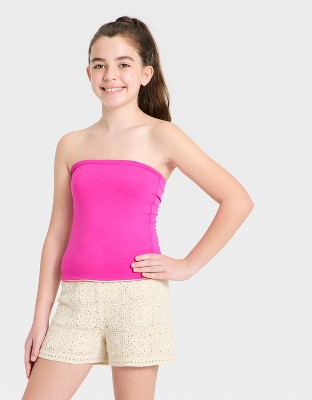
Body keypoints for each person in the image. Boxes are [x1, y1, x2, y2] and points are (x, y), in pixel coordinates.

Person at [21, 15, 254, 400]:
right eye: (100, 65)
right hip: (76, 300)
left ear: (146, 73)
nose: (110, 75)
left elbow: (237, 200)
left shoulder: (163, 136)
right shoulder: (71, 144)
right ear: (88, 73)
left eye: (123, 64)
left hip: (138, 299)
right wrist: (40, 317)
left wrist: (187, 265)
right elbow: (57, 235)